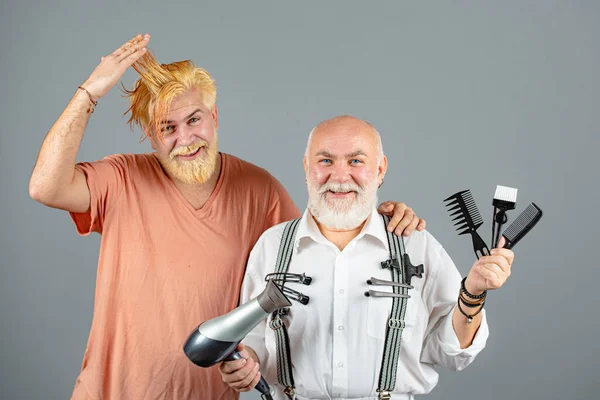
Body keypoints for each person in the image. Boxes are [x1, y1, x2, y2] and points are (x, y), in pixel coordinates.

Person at [28, 35, 426, 400]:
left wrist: (379, 216)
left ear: (214, 117)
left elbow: (319, 260)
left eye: (194, 120)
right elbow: (45, 187)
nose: (185, 139)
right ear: (150, 136)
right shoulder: (121, 178)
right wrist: (89, 93)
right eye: (167, 127)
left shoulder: (259, 189)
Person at [218, 115, 515, 400]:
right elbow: (253, 341)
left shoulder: (415, 245)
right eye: (325, 161)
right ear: (307, 167)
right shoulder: (272, 246)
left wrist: (473, 292)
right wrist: (244, 364)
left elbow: (453, 353)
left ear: (381, 169)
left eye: (356, 161)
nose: (340, 176)